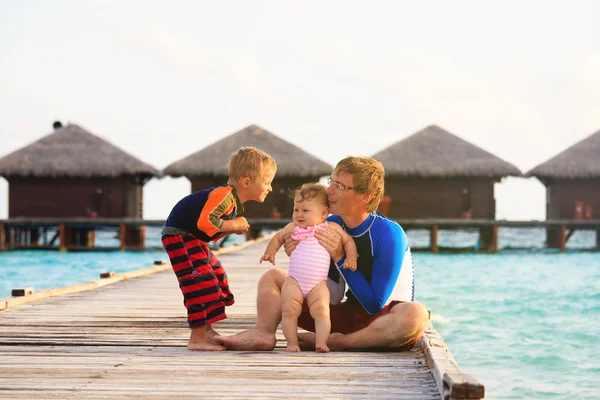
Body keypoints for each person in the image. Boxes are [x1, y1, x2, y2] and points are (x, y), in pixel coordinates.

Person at [216, 156, 429, 352]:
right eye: (331, 181)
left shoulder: (388, 234)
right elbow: (332, 292)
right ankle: (264, 332)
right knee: (273, 278)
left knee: (416, 316)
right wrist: (297, 252)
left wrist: (340, 256)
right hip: (342, 315)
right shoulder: (330, 224)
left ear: (366, 196)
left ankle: (339, 342)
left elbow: (374, 304)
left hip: (382, 323)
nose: (329, 191)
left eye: (339, 186)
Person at [161, 147, 276, 351]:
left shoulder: (232, 201)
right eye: (267, 182)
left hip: (194, 239)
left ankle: (207, 330)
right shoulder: (223, 196)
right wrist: (235, 225)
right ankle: (196, 338)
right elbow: (206, 223)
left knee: (216, 276)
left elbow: (209, 231)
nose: (270, 188)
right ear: (246, 182)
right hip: (180, 236)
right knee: (199, 281)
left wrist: (231, 229)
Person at [259, 183, 357, 352]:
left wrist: (351, 257)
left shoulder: (331, 228)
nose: (299, 214)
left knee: (322, 311)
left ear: (324, 213)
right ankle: (292, 343)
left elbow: (348, 240)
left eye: (305, 211)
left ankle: (321, 342)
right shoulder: (293, 228)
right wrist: (270, 252)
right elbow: (278, 237)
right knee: (289, 311)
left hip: (318, 284)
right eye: (296, 209)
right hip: (294, 281)